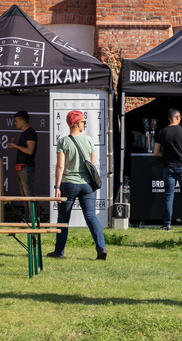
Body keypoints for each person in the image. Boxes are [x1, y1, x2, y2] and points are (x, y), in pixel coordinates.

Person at [50, 110, 108, 259]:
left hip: (68, 184)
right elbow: (91, 163)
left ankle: (59, 252)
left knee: (63, 219)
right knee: (91, 217)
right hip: (88, 185)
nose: (84, 124)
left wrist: (57, 187)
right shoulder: (88, 140)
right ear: (77, 123)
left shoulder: (64, 141)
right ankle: (101, 248)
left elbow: (60, 166)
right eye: (83, 122)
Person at [153, 108, 182, 231]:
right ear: (177, 117)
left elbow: (156, 152)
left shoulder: (162, 132)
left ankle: (167, 224)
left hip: (169, 167)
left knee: (169, 195)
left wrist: (166, 155)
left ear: (169, 118)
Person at [7, 110, 37, 197]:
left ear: (22, 121)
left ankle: (32, 211)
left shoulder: (30, 132)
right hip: (21, 167)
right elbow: (25, 148)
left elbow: (30, 150)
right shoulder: (24, 133)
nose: (14, 123)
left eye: (16, 121)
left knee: (28, 193)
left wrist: (16, 146)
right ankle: (27, 211)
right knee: (23, 194)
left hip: (26, 167)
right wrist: (17, 144)